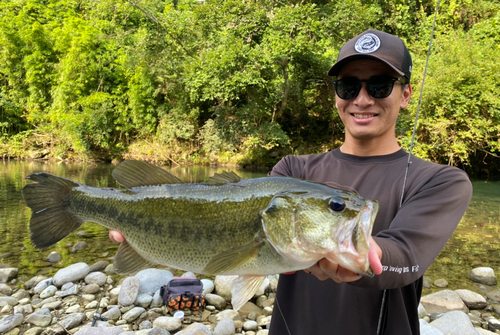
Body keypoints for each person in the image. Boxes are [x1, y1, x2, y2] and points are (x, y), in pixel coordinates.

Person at [110, 29, 473, 334]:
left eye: (379, 86)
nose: (362, 99)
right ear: (336, 96)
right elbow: (237, 243)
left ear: (405, 94)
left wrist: (366, 256)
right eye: (348, 86)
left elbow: (405, 258)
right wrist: (153, 235)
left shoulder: (441, 181)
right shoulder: (292, 170)